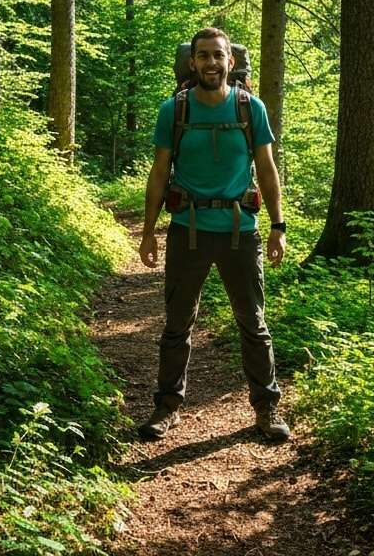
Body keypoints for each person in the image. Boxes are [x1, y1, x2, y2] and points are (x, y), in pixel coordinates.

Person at [137, 27, 290, 442]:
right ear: (192, 62)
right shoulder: (175, 109)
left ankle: (266, 409)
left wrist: (278, 226)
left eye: (217, 56)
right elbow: (159, 172)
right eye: (203, 56)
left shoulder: (250, 108)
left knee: (253, 322)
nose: (210, 63)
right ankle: (166, 408)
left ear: (231, 62)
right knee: (176, 324)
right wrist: (149, 231)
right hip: (188, 231)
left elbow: (267, 170)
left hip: (241, 233)